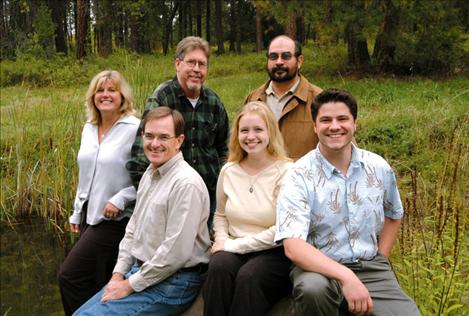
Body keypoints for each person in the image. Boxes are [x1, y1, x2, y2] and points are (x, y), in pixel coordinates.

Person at [275, 89, 420, 315]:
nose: (334, 126)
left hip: (371, 268)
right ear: (315, 126)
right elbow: (293, 247)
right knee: (313, 290)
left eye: (342, 119)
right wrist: (347, 276)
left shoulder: (378, 167)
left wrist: (381, 256)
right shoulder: (298, 175)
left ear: (355, 124)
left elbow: (393, 214)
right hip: (318, 270)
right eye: (325, 120)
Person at [74, 107, 211, 316]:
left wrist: (129, 285)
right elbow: (133, 228)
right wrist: (118, 275)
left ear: (179, 140)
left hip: (174, 282)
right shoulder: (151, 172)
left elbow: (175, 254)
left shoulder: (185, 184)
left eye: (164, 137)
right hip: (141, 272)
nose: (154, 144)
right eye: (149, 136)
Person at [58, 70, 140, 316]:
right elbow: (86, 176)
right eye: (100, 90)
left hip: (116, 219)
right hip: (88, 216)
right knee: (98, 281)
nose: (105, 95)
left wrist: (120, 198)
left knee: (69, 276)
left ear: (122, 95)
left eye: (112, 90)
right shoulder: (88, 128)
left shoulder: (134, 128)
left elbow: (148, 175)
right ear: (93, 97)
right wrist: (76, 212)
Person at [126, 36, 229, 226]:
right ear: (178, 63)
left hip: (210, 198)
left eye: (202, 64)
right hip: (171, 200)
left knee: (208, 252)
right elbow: (140, 158)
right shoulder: (162, 98)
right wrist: (156, 198)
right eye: (191, 62)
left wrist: (222, 187)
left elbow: (225, 148)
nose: (196, 70)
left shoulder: (213, 102)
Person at [203, 101, 293, 316]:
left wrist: (234, 246)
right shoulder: (229, 170)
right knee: (218, 269)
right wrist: (222, 240)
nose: (250, 136)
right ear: (237, 134)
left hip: (273, 251)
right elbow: (221, 214)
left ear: (270, 132)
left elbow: (282, 228)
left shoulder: (287, 172)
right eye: (244, 130)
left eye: (258, 129)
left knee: (249, 277)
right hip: (233, 244)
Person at [244, 35, 322, 160]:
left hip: (304, 178)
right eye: (273, 57)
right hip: (262, 177)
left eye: (286, 56)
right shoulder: (253, 99)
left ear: (299, 60)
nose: (279, 62)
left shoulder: (319, 100)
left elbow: (342, 149)